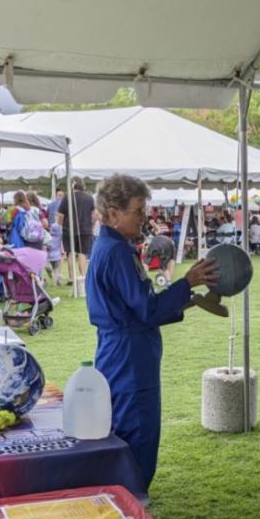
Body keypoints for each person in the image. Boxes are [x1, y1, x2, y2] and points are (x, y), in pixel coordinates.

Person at [86, 174, 219, 489]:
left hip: (118, 350)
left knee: (125, 431)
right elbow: (146, 310)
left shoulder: (108, 247)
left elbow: (139, 309)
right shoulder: (117, 252)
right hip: (130, 356)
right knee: (138, 436)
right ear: (113, 213)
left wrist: (186, 299)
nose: (143, 218)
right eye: (137, 211)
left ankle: (127, 495)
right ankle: (133, 499)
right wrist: (186, 283)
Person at [60, 177, 97, 278]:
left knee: (71, 253)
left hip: (68, 229)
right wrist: (92, 226)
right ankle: (83, 275)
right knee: (82, 253)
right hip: (85, 229)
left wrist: (61, 225)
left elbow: (60, 215)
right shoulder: (89, 198)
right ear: (82, 185)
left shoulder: (67, 197)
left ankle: (72, 278)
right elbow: (94, 215)